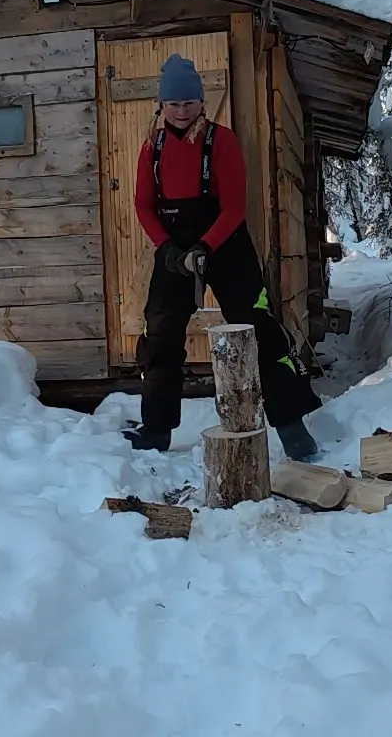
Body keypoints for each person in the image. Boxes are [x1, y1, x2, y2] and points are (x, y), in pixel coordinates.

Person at [122, 54, 322, 461]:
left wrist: (206, 247)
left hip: (225, 243)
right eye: (173, 104)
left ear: (201, 102)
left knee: (258, 327)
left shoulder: (221, 141)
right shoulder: (151, 148)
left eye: (188, 103)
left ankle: (292, 428)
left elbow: (233, 207)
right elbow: (143, 205)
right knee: (159, 334)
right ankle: (156, 429)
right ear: (161, 105)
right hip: (175, 249)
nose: (181, 111)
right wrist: (168, 248)